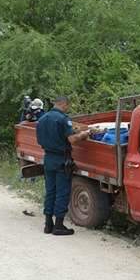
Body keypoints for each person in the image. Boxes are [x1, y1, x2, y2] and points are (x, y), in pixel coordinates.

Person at [36, 96, 91, 236]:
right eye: (67, 106)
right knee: (62, 192)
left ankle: (48, 224)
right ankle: (59, 226)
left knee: (50, 191)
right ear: (63, 104)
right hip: (61, 159)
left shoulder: (42, 119)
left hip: (48, 158)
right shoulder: (62, 119)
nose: (68, 108)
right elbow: (72, 139)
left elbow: (39, 139)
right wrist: (84, 134)